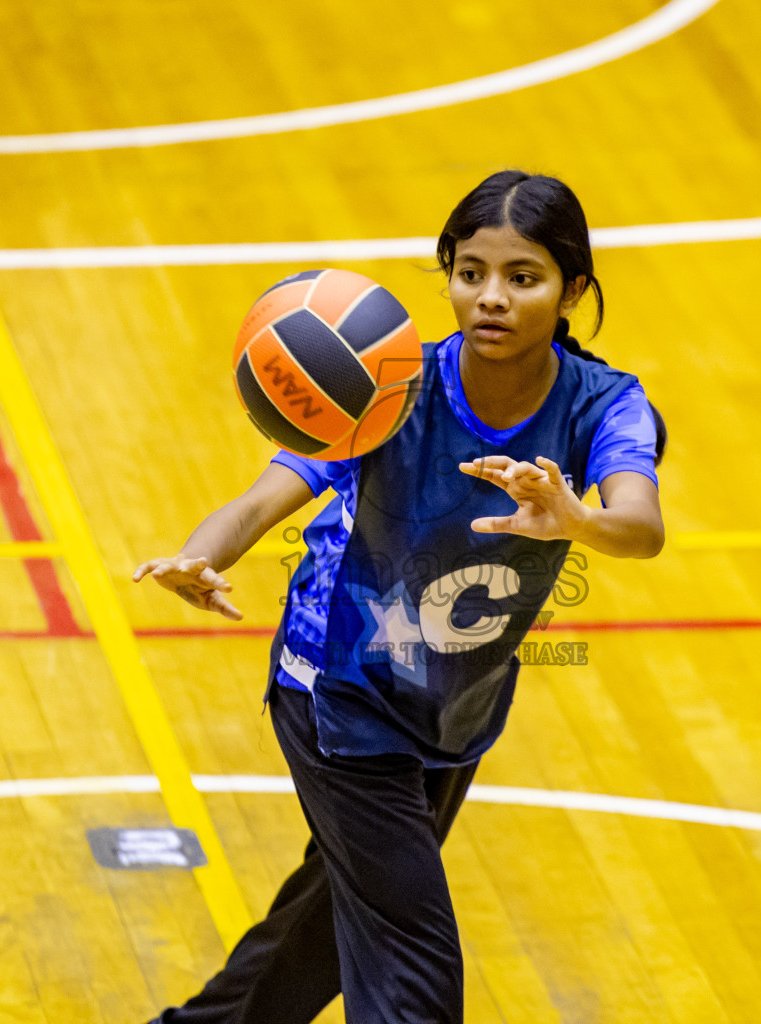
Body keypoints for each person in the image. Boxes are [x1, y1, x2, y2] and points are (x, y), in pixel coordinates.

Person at [134, 170, 667, 1024]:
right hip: (334, 692)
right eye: (468, 273)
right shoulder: (388, 386)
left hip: (453, 705)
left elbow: (639, 524)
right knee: (412, 970)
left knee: (323, 931)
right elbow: (264, 497)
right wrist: (199, 557)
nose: (490, 298)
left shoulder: (607, 404)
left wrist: (575, 516)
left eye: (521, 278)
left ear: (572, 290)